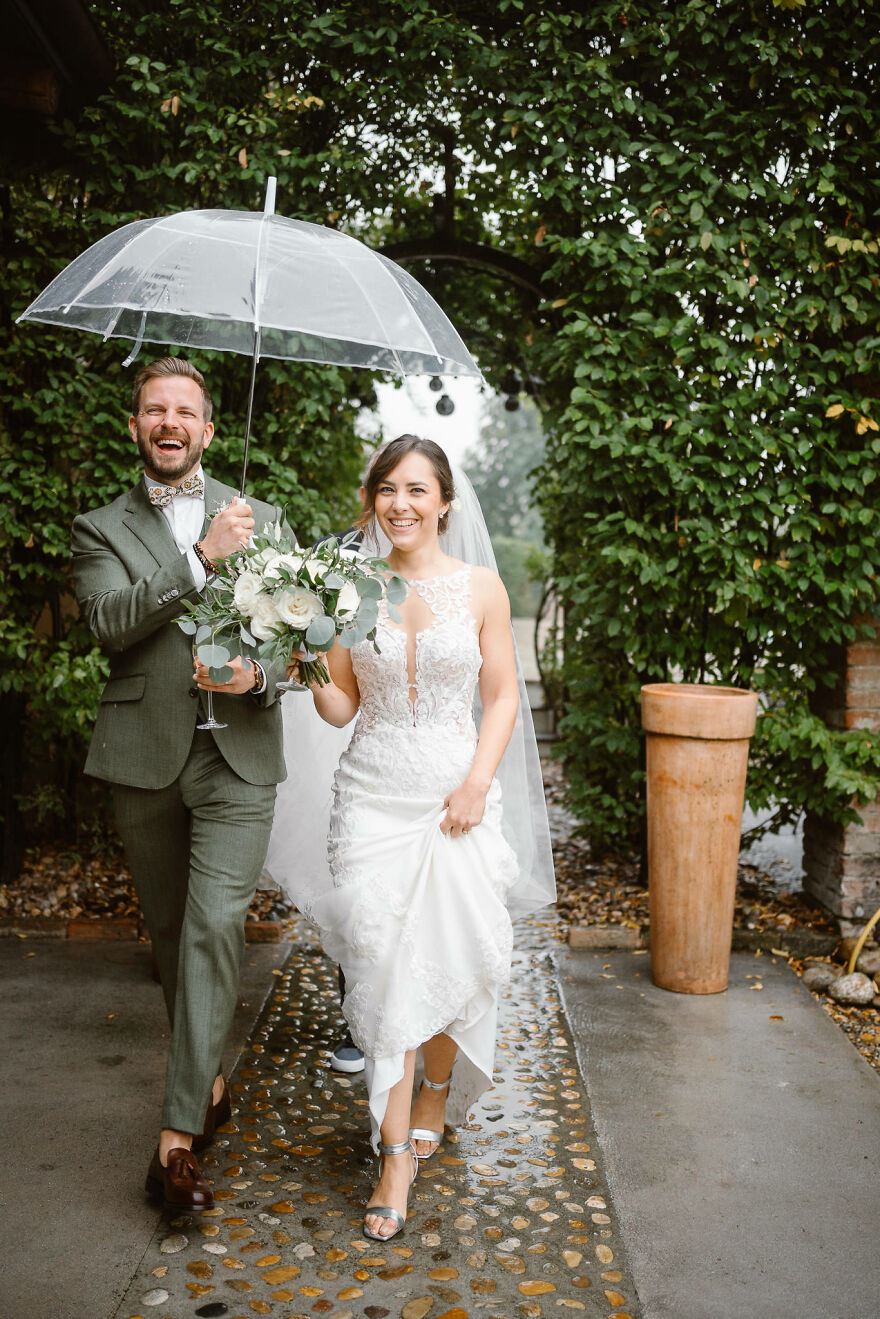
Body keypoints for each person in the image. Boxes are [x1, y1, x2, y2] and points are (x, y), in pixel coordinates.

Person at [276, 434, 555, 1241]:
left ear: (444, 502)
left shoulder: (482, 589)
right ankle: (393, 1152)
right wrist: (306, 659)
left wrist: (475, 782)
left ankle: (434, 1090)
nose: (400, 504)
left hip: (453, 796)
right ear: (373, 499)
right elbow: (341, 707)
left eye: (416, 490)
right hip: (369, 800)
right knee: (384, 963)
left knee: (448, 955)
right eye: (387, 489)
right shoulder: (348, 588)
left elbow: (501, 696)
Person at [71, 356, 288, 1213]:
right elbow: (112, 624)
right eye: (153, 409)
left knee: (215, 920)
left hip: (238, 753)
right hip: (145, 751)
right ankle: (211, 1080)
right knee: (171, 935)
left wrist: (260, 678)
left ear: (205, 426)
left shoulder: (261, 518)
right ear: (136, 427)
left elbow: (299, 639)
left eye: (185, 411)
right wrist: (200, 556)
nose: (169, 422)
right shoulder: (100, 526)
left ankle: (174, 1143)